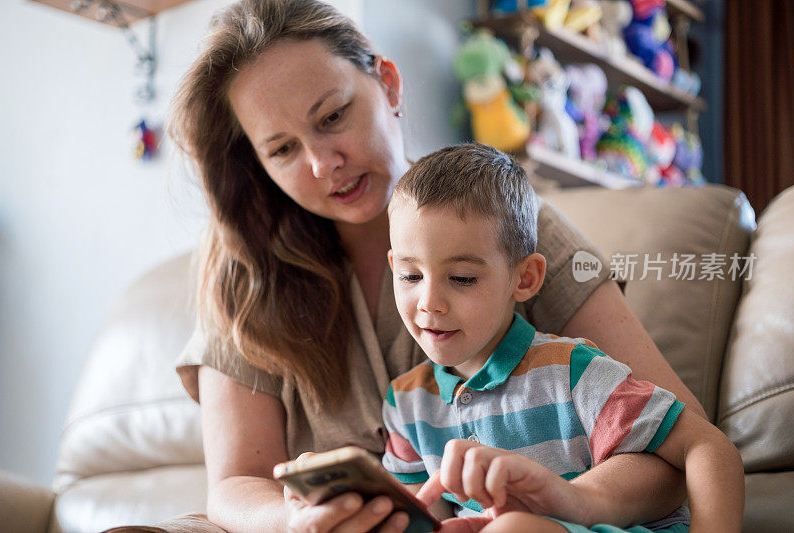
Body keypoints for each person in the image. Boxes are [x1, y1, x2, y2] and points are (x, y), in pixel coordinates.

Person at [168, 0, 711, 531]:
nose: (321, 163)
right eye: (282, 149)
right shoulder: (243, 276)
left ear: (389, 84)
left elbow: (681, 448)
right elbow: (235, 482)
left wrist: (566, 499)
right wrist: (292, 518)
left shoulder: (515, 224)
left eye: (333, 116)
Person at [381, 143, 744, 533]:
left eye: (463, 278)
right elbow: (426, 519)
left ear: (525, 278)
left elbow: (707, 446)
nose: (429, 303)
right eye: (411, 276)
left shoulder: (572, 370)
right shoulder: (405, 405)